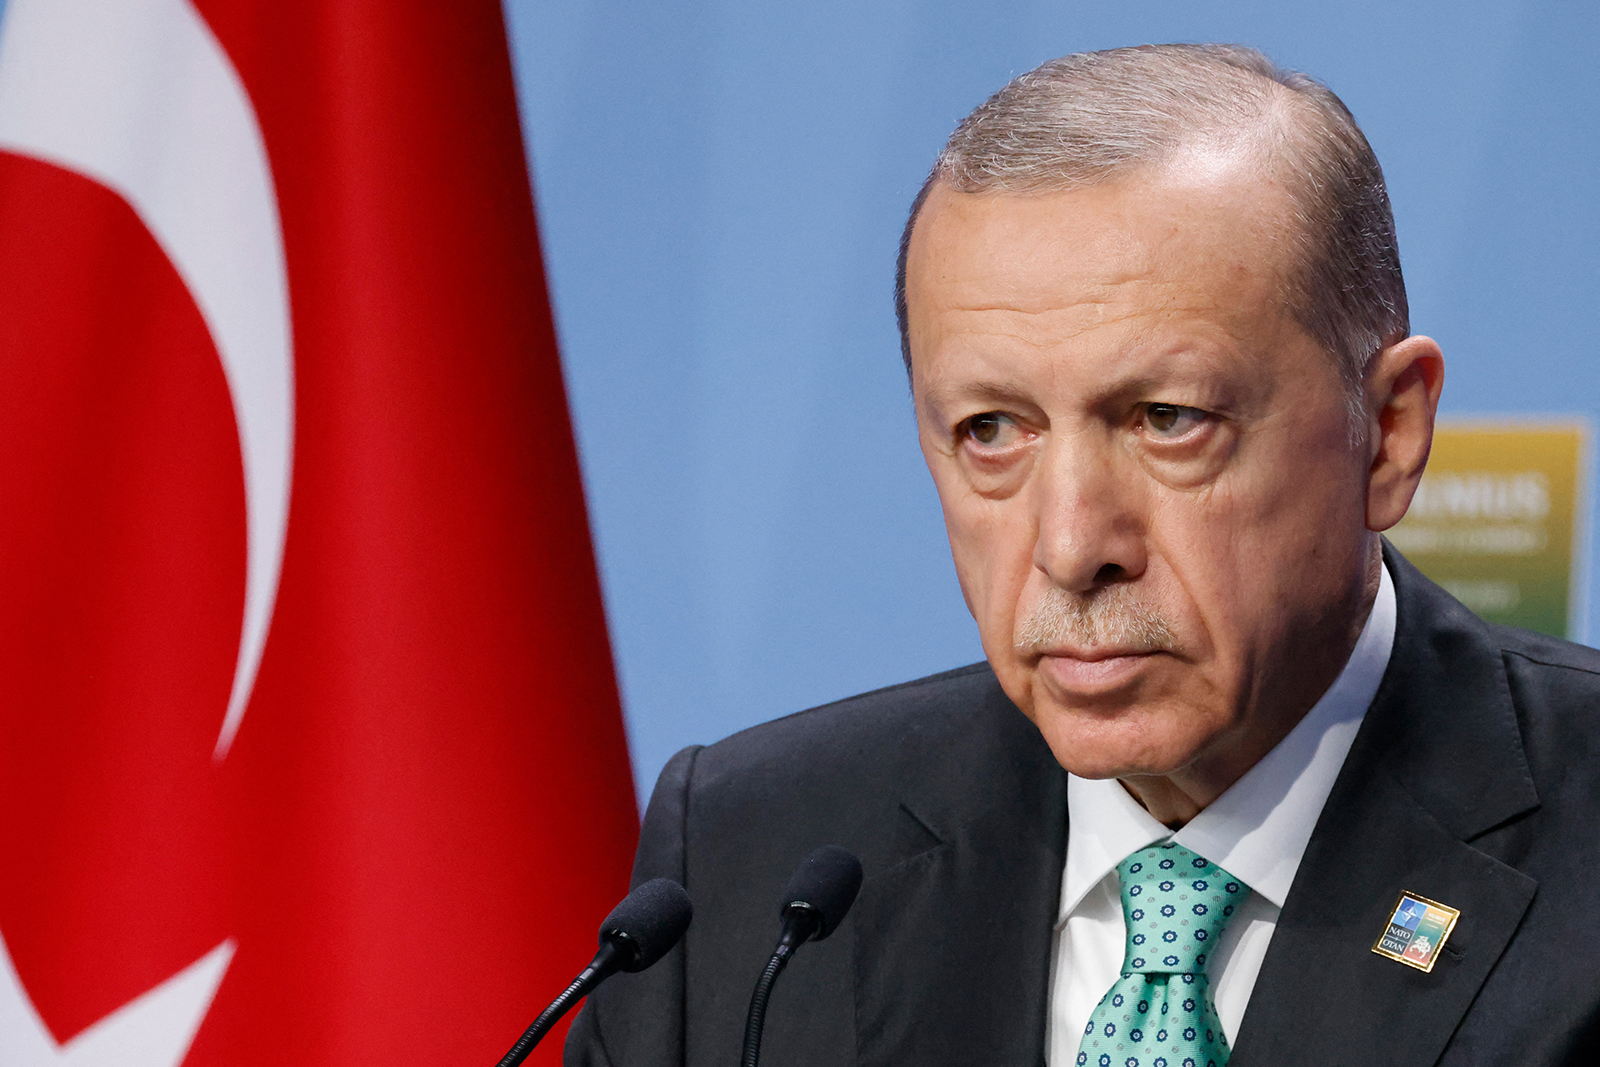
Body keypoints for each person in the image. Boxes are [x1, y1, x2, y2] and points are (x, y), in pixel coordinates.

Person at [566, 44, 1600, 1067]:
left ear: (1388, 429)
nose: (1069, 546)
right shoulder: (751, 863)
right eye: (990, 431)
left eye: (1166, 419)